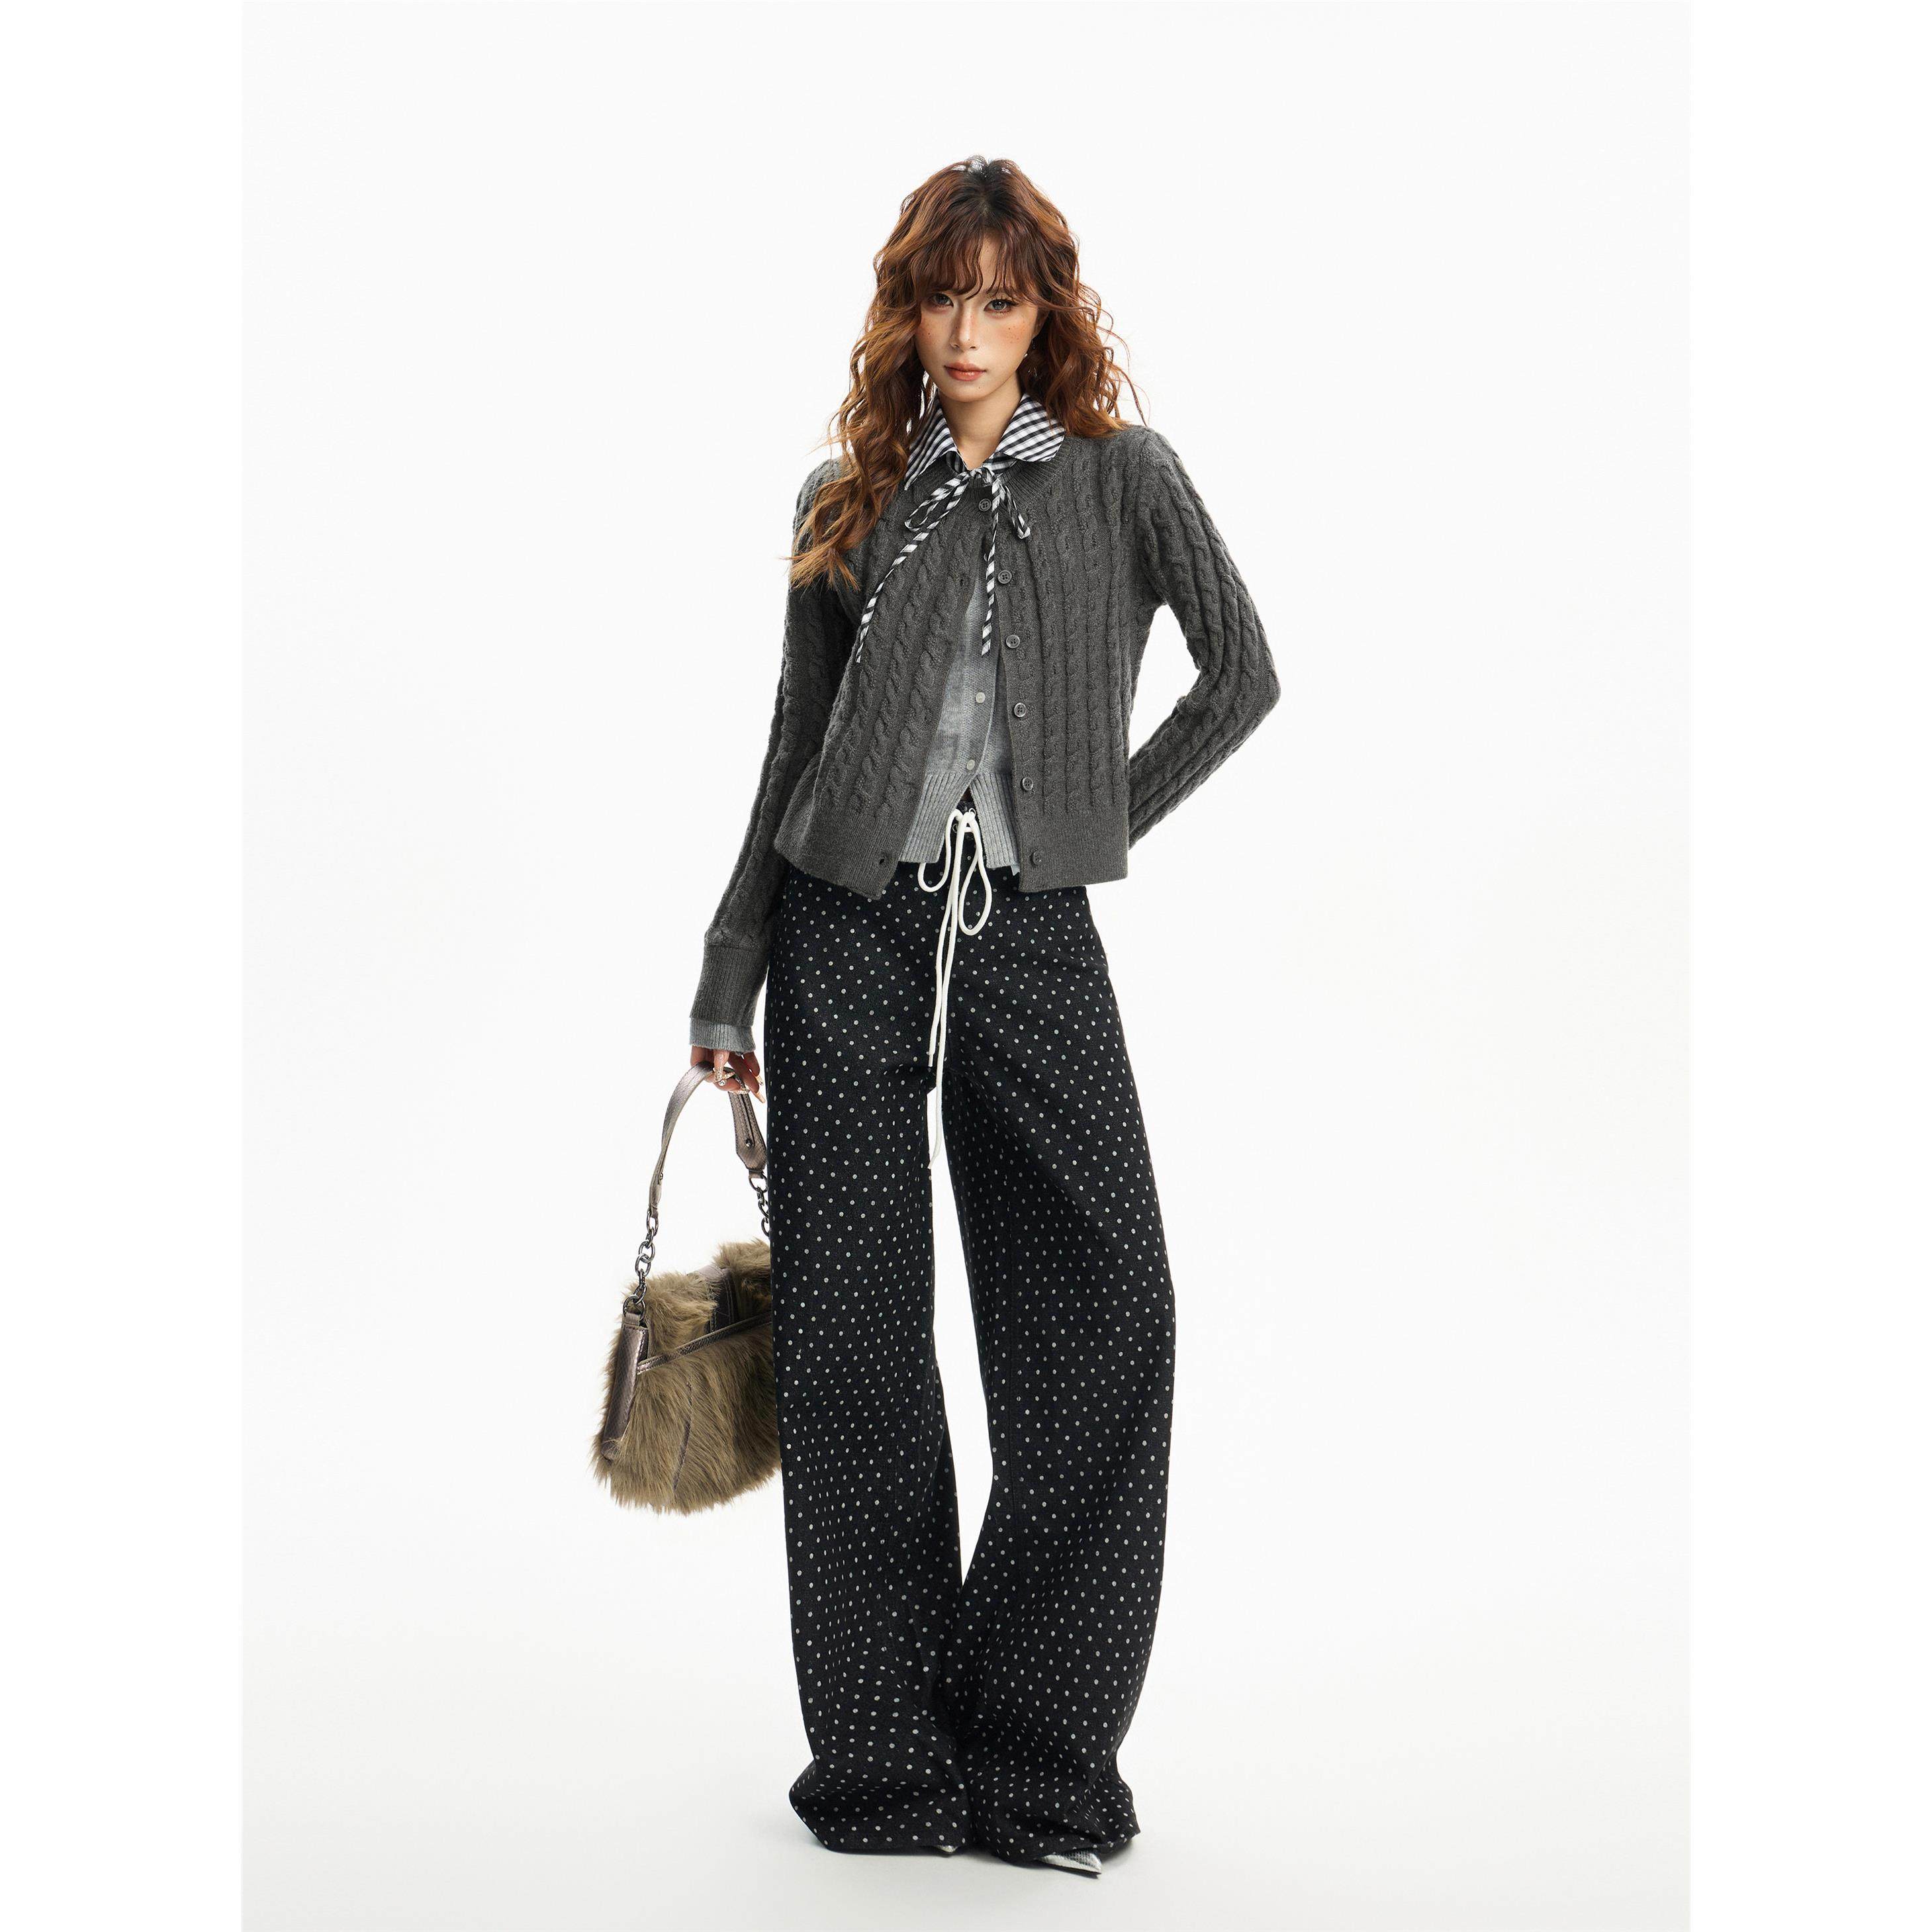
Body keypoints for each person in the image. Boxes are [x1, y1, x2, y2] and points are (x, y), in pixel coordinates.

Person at [684, 154, 1279, 1877]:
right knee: (858, 1350)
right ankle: (885, 1765)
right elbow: (793, 755)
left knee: (1108, 1311)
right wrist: (729, 973)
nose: (966, 331)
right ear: (907, 307)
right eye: (942, 297)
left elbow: (1242, 674)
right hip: (841, 934)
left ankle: (1034, 1753)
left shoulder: (1121, 477)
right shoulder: (851, 494)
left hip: (1029, 936)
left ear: (1045, 313)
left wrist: (1083, 826)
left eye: (999, 300)